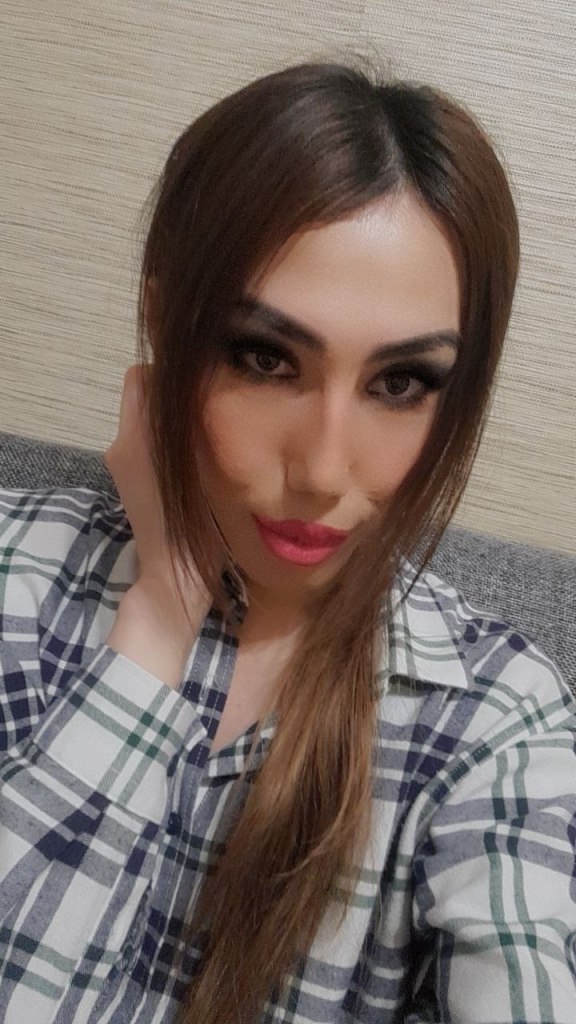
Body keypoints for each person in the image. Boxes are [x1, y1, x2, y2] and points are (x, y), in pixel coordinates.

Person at [0, 57, 574, 1024]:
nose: (321, 468)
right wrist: (157, 624)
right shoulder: (17, 571)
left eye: (401, 383)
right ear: (163, 323)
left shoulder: (495, 721)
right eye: (264, 358)